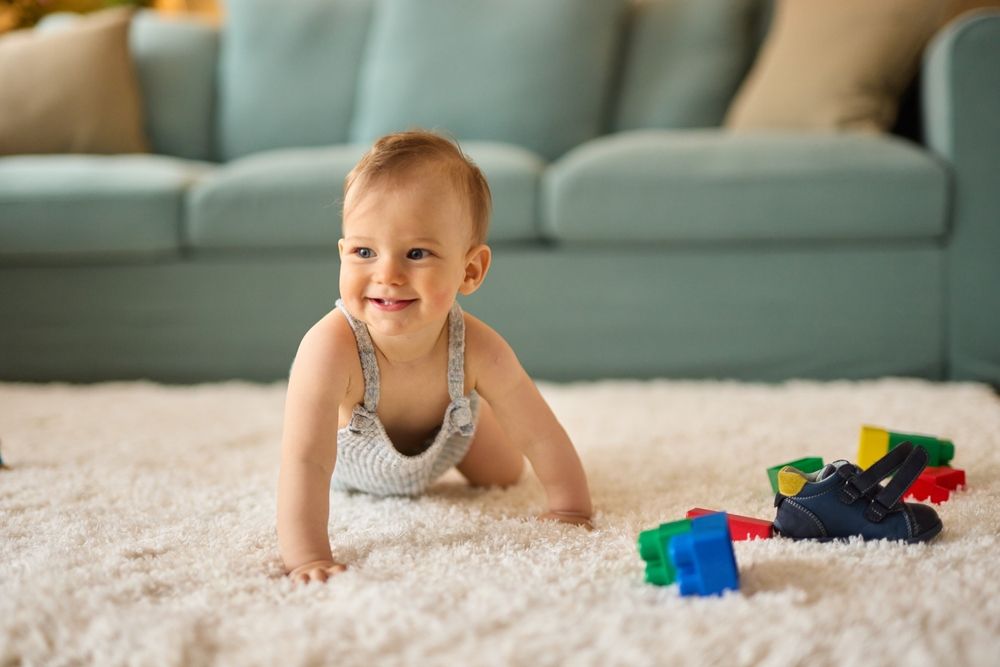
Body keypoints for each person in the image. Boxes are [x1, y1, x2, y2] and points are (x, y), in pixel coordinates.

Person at [276, 130, 594, 584]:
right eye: (365, 251)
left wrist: (570, 507)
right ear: (343, 253)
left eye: (417, 253)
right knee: (307, 464)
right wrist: (307, 558)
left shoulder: (478, 347)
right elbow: (306, 461)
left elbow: (541, 432)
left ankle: (471, 410)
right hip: (352, 464)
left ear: (470, 270)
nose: (387, 274)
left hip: (446, 441)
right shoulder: (329, 349)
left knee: (505, 475)